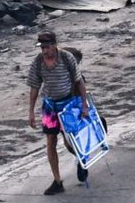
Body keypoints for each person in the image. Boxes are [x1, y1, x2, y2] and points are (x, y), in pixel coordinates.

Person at [27, 28, 90, 194]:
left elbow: (79, 82)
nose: (45, 51)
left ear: (54, 45)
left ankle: (81, 158)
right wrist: (31, 111)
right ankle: (57, 181)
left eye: (47, 47)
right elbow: (34, 86)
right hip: (49, 107)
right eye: (42, 48)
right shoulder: (38, 62)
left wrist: (84, 105)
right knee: (50, 142)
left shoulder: (67, 58)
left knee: (69, 141)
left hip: (67, 104)